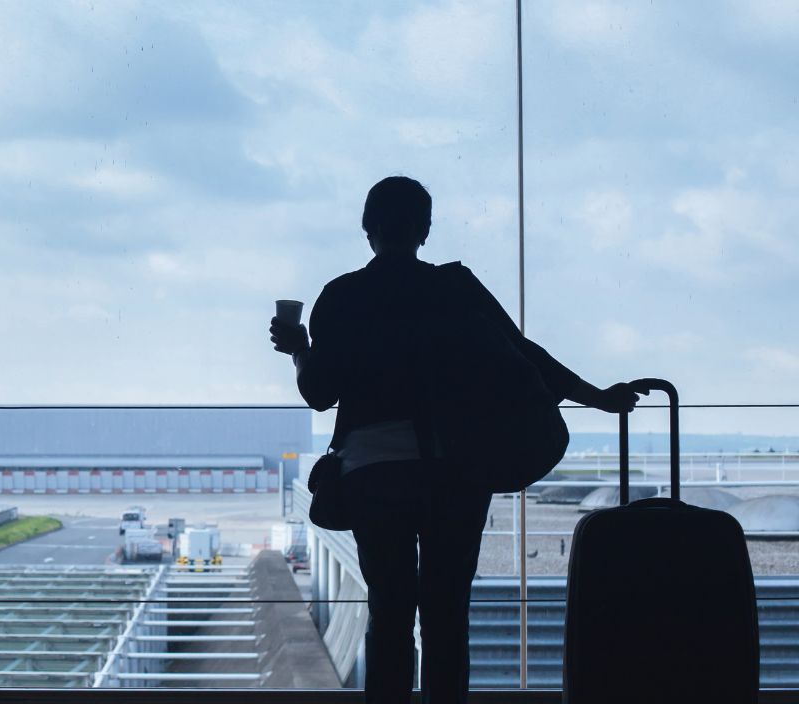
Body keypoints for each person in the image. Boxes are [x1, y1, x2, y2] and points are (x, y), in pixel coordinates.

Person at [269, 176, 640, 704]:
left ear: (366, 229)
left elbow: (318, 393)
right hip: (456, 471)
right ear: (425, 229)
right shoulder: (456, 288)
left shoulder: (343, 295)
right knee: (446, 619)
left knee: (390, 615)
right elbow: (524, 354)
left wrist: (300, 349)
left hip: (375, 474)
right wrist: (598, 397)